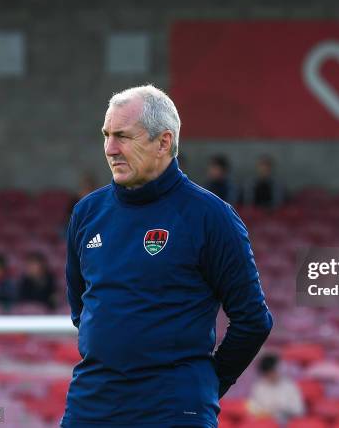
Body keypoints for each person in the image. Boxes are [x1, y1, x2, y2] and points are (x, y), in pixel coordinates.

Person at [62, 85, 273, 428]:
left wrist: (204, 385)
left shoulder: (210, 216)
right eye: (106, 135)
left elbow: (253, 320)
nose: (110, 148)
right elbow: (82, 309)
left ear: (163, 142)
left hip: (173, 411)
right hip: (91, 407)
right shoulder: (87, 213)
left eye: (123, 136)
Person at [247, 353, 305, 423]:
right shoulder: (258, 387)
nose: (272, 375)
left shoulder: (289, 386)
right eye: (269, 373)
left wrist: (282, 408)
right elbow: (252, 409)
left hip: (288, 422)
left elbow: (299, 410)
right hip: (266, 423)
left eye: (273, 371)